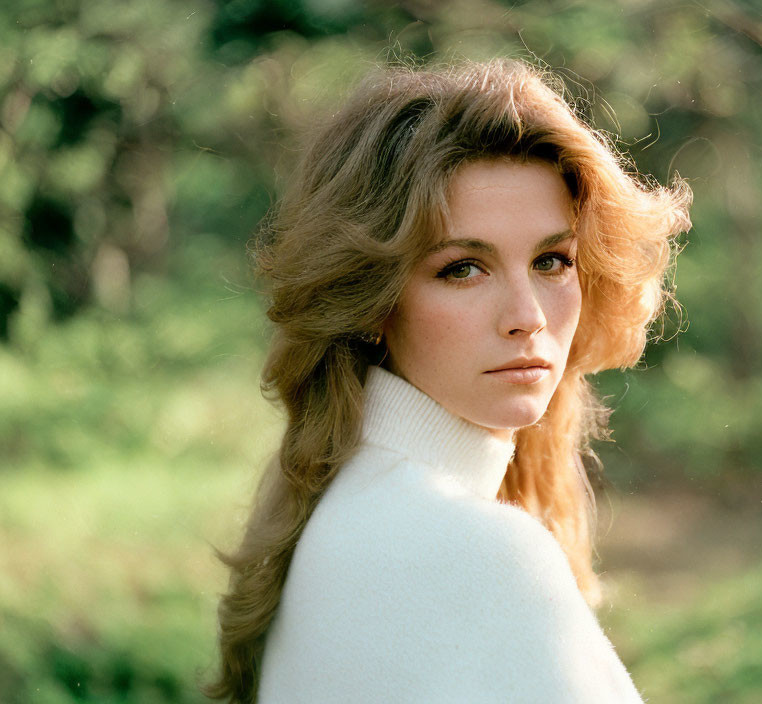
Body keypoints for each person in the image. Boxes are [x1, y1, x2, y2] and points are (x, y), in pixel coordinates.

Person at [204, 58, 691, 703]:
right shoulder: (478, 552)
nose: (527, 318)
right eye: (463, 269)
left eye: (551, 260)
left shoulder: (336, 507)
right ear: (371, 300)